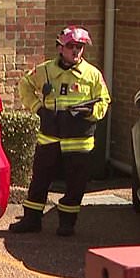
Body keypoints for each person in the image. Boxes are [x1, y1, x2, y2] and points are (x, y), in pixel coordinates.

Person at [9, 25, 110, 237]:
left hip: (79, 142)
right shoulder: (45, 71)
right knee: (39, 181)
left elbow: (104, 101)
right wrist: (37, 108)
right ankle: (32, 220)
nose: (76, 51)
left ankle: (67, 224)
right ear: (60, 48)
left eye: (80, 47)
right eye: (71, 46)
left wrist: (91, 112)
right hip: (50, 138)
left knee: (75, 186)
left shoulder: (92, 74)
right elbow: (25, 85)